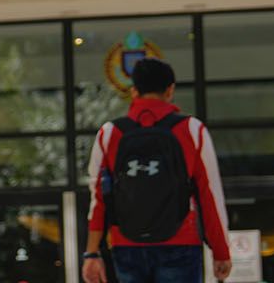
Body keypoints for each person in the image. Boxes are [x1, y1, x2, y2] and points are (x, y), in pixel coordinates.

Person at [81, 59, 232, 283]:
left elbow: (100, 198)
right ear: (170, 90)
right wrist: (221, 251)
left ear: (134, 91)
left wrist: (92, 253)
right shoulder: (192, 129)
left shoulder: (109, 133)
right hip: (180, 242)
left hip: (126, 245)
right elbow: (209, 195)